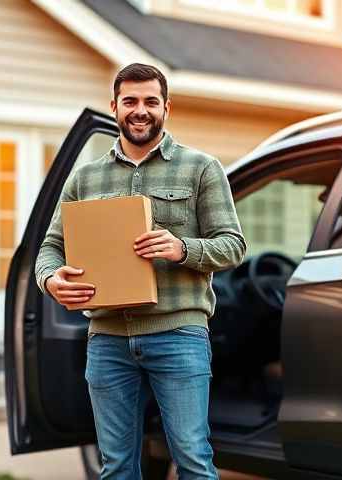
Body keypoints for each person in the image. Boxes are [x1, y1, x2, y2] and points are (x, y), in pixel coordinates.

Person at [34, 63, 246, 479]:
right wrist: (51, 279)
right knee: (115, 465)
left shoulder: (201, 168)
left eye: (151, 101)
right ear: (114, 106)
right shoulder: (86, 178)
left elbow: (233, 245)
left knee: (192, 458)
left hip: (178, 334)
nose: (140, 110)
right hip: (107, 340)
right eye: (130, 101)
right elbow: (50, 248)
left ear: (167, 108)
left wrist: (180, 248)